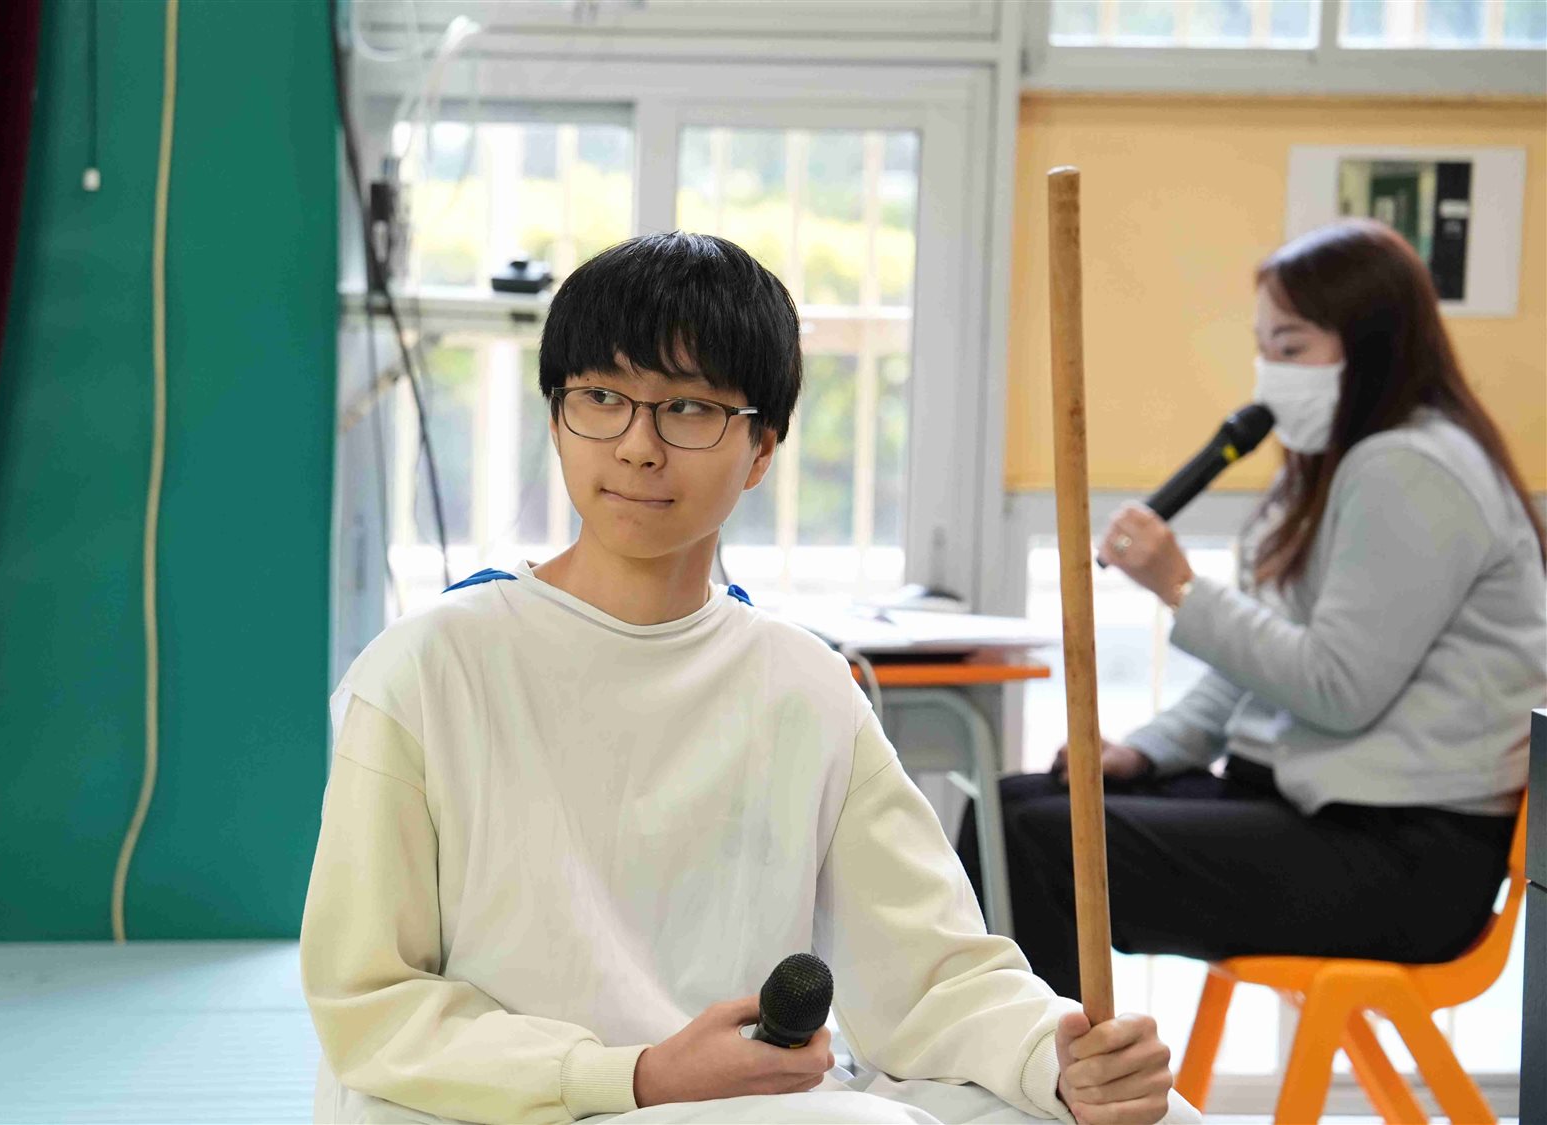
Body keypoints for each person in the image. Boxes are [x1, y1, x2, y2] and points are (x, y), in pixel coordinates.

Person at [301, 233, 1196, 1125]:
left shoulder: (806, 686)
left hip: (738, 1105)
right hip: (504, 1105)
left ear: (762, 449)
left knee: (1149, 1121)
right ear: (556, 417)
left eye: (689, 408)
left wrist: (1059, 1059)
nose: (638, 446)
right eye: (602, 397)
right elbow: (370, 1003)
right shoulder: (428, 668)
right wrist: (639, 1074)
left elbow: (932, 978)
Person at [959, 218, 1547, 1001]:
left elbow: (1336, 688)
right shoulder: (1335, 467)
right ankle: (997, 1055)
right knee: (1008, 809)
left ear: (1375, 346)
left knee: (1040, 843)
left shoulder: (1410, 469)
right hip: (1316, 807)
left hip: (1406, 853)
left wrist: (1180, 587)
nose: (1271, 373)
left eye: (1292, 347)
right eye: (1264, 347)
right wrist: (1143, 752)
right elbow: (1258, 671)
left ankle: (1047, 1070)